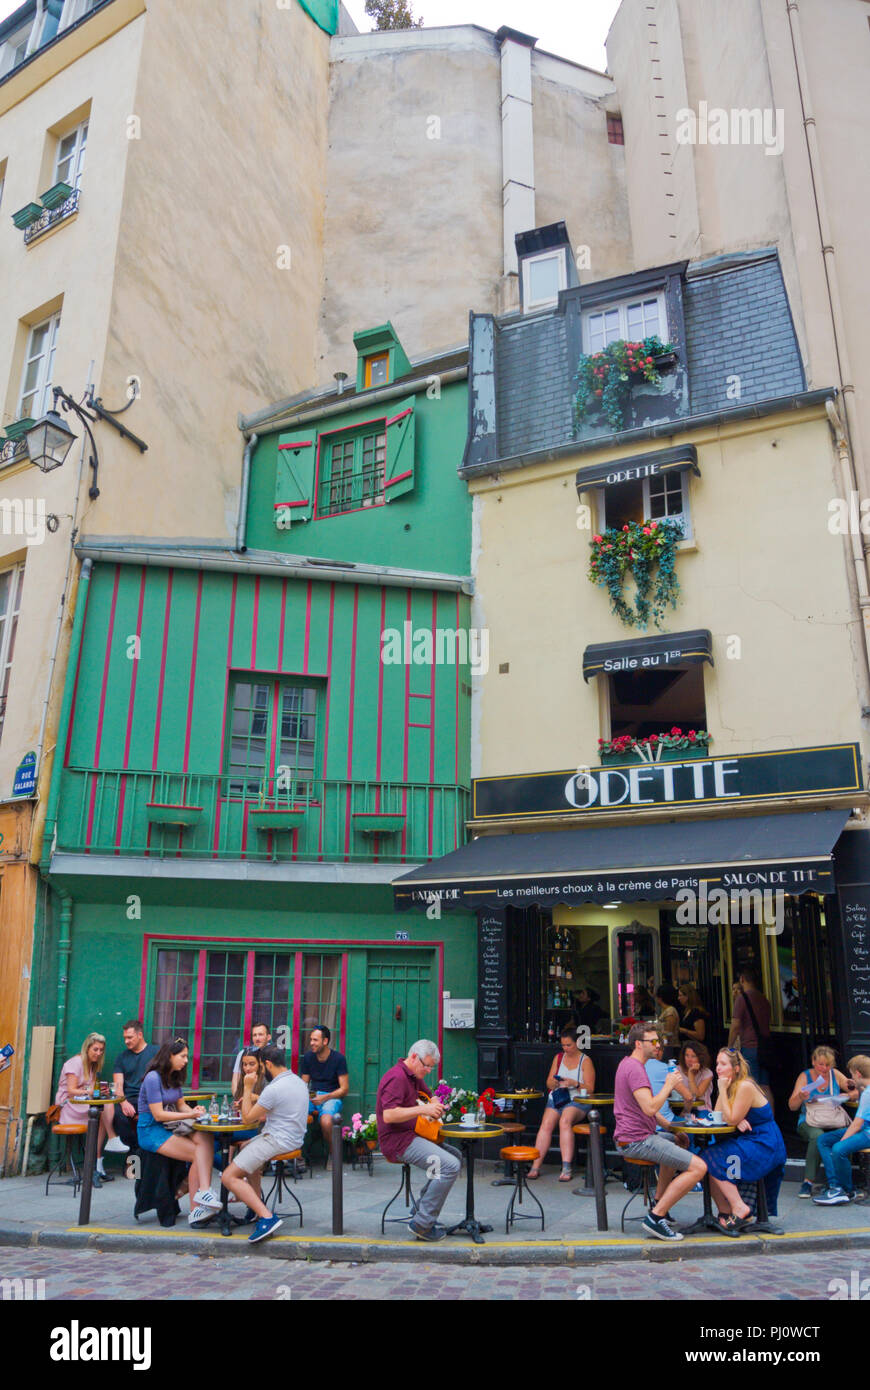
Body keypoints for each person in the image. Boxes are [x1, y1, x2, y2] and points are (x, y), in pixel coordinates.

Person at [613, 1022, 707, 1241]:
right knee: (698, 1167)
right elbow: (650, 1107)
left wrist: (671, 1129)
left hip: (636, 1136)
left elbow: (644, 1110)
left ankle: (658, 1201)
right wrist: (668, 1084)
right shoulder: (636, 1069)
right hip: (637, 1140)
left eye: (659, 1041)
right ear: (638, 1044)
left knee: (678, 1143)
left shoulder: (629, 1064)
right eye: (653, 1041)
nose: (658, 1045)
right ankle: (656, 1217)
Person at [221, 1043, 309, 1243]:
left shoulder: (274, 1088)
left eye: (260, 1066)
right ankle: (255, 1205)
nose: (258, 1070)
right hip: (292, 1138)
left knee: (228, 1176)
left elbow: (247, 1119)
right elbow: (277, 1108)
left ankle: (267, 1217)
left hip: (277, 1140)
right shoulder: (297, 1082)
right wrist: (255, 1098)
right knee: (244, 1146)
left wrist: (248, 1087)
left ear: (267, 1064)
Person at [376, 1039, 461, 1242]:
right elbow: (389, 1115)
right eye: (427, 1066)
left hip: (412, 1135)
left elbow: (429, 1095)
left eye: (432, 1067)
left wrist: (434, 1103)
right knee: (449, 1165)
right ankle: (422, 1224)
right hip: (398, 1142)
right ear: (414, 1057)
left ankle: (421, 1210)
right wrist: (424, 1109)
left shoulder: (413, 1075)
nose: (429, 1070)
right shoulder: (396, 1078)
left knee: (454, 1156)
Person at [137, 1038, 223, 1226]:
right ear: (169, 1056)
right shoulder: (153, 1078)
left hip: (170, 1125)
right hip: (151, 1130)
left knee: (205, 1137)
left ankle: (204, 1193)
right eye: (182, 1056)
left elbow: (181, 1105)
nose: (186, 1060)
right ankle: (196, 1206)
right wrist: (190, 1114)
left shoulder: (174, 1076)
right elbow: (158, 1115)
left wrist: (196, 1112)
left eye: (187, 1056)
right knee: (198, 1153)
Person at [703, 1047, 787, 1234]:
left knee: (711, 1156)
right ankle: (726, 1213)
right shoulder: (732, 1086)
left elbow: (729, 1118)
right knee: (705, 1160)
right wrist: (725, 1096)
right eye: (717, 1063)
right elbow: (718, 1115)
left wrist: (723, 1092)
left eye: (723, 1064)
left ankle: (739, 1207)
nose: (718, 1068)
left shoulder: (745, 1086)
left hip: (765, 1144)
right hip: (750, 1139)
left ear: (736, 1068)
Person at [56, 1031, 128, 1186]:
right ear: (87, 1048)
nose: (98, 1053)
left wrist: (99, 1091)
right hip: (68, 1106)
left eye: (101, 1050)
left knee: (101, 1112)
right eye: (95, 1049)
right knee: (104, 1107)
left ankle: (97, 1165)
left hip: (82, 1104)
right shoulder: (75, 1063)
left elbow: (92, 1089)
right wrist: (89, 1091)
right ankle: (112, 1139)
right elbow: (71, 1091)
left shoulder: (93, 1065)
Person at [528, 1027, 595, 1180]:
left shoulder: (585, 1060)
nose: (566, 1048)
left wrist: (574, 1083)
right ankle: (535, 1166)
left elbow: (591, 1089)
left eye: (569, 1045)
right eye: (563, 1045)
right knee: (546, 1124)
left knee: (565, 1120)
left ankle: (566, 1167)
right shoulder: (558, 1058)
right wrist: (555, 1083)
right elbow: (548, 1082)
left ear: (577, 1043)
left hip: (577, 1100)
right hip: (558, 1097)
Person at [787, 1045, 852, 1197]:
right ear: (813, 1062)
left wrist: (846, 1095)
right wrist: (801, 1097)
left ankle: (840, 1182)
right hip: (809, 1120)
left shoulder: (834, 1074)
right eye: (820, 1064)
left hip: (833, 1120)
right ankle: (807, 1182)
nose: (824, 1068)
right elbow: (792, 1106)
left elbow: (855, 1090)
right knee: (817, 1137)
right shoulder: (805, 1076)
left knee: (846, 1135)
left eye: (828, 1064)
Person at [813, 1055, 870, 1206]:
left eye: (851, 1074)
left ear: (858, 1073)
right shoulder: (866, 1090)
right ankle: (835, 1185)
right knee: (823, 1140)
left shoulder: (868, 1094)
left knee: (839, 1149)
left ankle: (845, 1190)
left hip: (867, 1132)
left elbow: (857, 1123)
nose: (851, 1077)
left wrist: (843, 1140)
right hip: (865, 1129)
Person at [300, 1024, 349, 1156]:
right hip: (313, 1096)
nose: (311, 1043)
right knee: (295, 1114)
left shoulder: (338, 1059)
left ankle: (334, 1154)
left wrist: (324, 1097)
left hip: (332, 1097)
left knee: (326, 1121)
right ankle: (297, 1156)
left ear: (325, 1041)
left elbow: (344, 1089)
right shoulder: (308, 1058)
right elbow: (303, 1084)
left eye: (315, 1040)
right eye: (311, 1039)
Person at [111, 1019, 159, 1154]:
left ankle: (138, 1156)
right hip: (129, 1099)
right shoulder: (121, 1058)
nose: (126, 1041)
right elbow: (117, 1086)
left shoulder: (156, 1053)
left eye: (129, 1037)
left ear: (140, 1035)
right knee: (117, 1115)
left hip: (150, 1099)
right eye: (125, 1038)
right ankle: (135, 1151)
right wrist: (123, 1102)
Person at [729, 969, 774, 1105]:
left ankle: (755, 1121)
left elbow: (735, 1025)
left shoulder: (742, 999)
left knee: (750, 1085)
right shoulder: (764, 999)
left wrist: (729, 1047)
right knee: (765, 1086)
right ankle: (770, 1119)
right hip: (765, 1048)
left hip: (749, 1047)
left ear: (742, 979)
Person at [645, 1033, 694, 1140]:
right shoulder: (664, 1068)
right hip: (664, 1123)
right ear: (659, 1050)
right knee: (692, 1129)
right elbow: (688, 1097)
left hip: (643, 1126)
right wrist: (685, 1112)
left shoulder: (637, 1066)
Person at [231, 1022, 272, 1090]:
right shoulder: (244, 1053)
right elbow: (236, 1080)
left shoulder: (274, 1053)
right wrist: (238, 1098)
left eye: (260, 1034)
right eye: (254, 1035)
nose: (257, 1038)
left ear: (268, 1037)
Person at [678, 1041, 715, 1110]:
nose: (689, 1060)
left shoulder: (707, 1073)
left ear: (700, 1058)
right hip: (680, 1109)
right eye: (687, 1055)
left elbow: (696, 1095)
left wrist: (690, 1075)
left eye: (693, 1056)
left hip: (702, 1110)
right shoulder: (677, 1070)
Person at [654, 983, 681, 1049]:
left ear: (660, 998)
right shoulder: (665, 1011)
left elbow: (668, 1034)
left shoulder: (670, 1011)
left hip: (670, 1048)